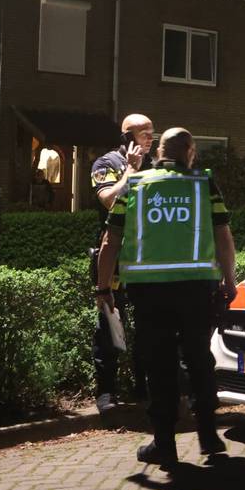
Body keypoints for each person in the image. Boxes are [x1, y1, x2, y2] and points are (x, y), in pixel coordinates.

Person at [95, 127, 237, 465]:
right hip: (196, 288)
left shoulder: (136, 184)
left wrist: (104, 288)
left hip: (149, 292)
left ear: (159, 152)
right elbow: (223, 235)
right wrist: (229, 279)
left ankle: (164, 444)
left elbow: (109, 241)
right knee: (199, 360)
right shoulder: (204, 184)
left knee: (159, 366)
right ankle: (208, 435)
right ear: (190, 152)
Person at [88, 113, 155, 413]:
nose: (150, 139)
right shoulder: (106, 164)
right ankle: (106, 393)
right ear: (127, 137)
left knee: (147, 327)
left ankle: (143, 387)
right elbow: (109, 200)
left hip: (145, 259)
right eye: (144, 133)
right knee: (109, 326)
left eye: (152, 133)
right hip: (113, 258)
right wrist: (130, 170)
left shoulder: (156, 167)